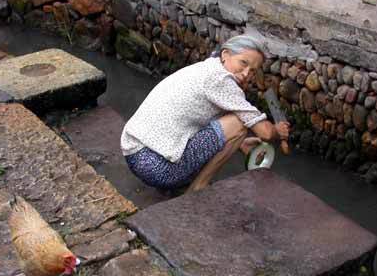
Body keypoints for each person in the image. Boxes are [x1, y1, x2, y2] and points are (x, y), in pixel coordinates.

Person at [120, 34, 290, 193]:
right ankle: (198, 187)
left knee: (234, 121)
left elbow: (201, 119)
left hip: (133, 152)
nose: (247, 74)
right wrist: (277, 131)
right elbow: (265, 133)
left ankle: (186, 181)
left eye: (253, 70)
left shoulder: (207, 67)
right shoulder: (222, 81)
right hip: (156, 168)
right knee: (239, 124)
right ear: (225, 55)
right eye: (243, 63)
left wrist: (241, 143)